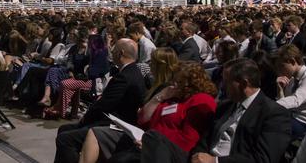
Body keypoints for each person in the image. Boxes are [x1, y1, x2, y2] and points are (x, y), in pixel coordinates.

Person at [79, 61, 217, 163]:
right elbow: (143, 119)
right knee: (96, 133)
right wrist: (160, 97)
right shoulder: (171, 96)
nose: (173, 84)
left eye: (178, 81)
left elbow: (189, 140)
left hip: (163, 150)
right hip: (142, 139)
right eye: (173, 80)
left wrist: (151, 142)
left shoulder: (201, 100)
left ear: (191, 83)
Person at [54, 38, 146, 163]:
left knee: (65, 139)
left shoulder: (124, 77)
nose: (111, 53)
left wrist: (84, 120)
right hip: (114, 120)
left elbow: (103, 105)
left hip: (116, 125)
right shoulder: (133, 72)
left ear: (121, 53)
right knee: (64, 129)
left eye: (114, 50)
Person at [190, 58, 292, 163]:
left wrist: (215, 161)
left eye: (227, 82)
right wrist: (197, 156)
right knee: (171, 148)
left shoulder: (274, 114)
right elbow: (205, 139)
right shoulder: (224, 106)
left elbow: (263, 159)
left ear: (243, 84)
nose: (223, 87)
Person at [273, 44, 306, 139]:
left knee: (273, 129)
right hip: (292, 117)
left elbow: (295, 100)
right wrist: (280, 90)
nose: (279, 70)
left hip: (304, 122)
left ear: (292, 61)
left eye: (282, 66)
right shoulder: (292, 79)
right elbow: (285, 103)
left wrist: (270, 106)